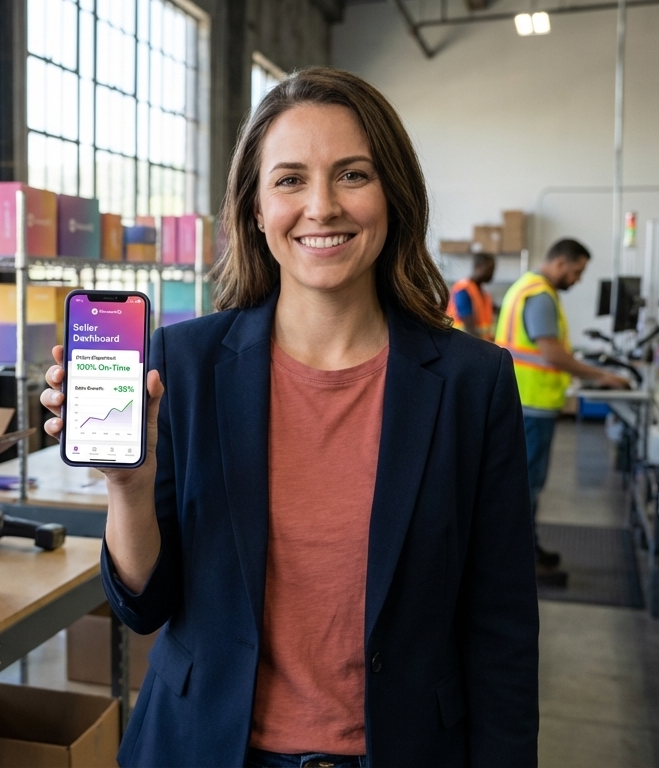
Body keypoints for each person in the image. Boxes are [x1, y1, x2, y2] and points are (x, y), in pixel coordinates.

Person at [41, 67, 537, 768]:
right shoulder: (183, 363)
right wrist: (128, 483)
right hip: (204, 749)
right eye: (290, 179)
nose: (322, 206)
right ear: (254, 209)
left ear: (393, 194)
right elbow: (144, 608)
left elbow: (503, 628)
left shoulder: (471, 383)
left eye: (353, 175)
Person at [495, 239, 630, 576]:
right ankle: (518, 563)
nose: (578, 279)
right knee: (525, 487)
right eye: (577, 271)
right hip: (532, 405)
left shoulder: (525, 287)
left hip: (521, 401)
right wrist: (601, 375)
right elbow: (552, 354)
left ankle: (525, 551)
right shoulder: (540, 295)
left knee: (521, 486)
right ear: (560, 263)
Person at [446, 252, 496, 339]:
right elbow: (470, 330)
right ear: (478, 267)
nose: (491, 274)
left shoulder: (483, 293)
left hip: (479, 345)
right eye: (489, 269)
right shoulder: (464, 290)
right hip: (462, 344)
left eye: (493, 270)